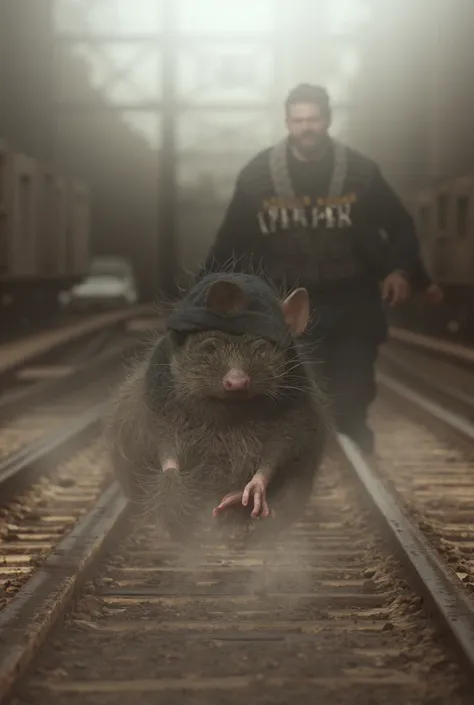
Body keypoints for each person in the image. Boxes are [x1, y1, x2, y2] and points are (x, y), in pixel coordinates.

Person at [201, 83, 434, 454]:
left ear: (327, 120)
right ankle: (298, 459)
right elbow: (231, 240)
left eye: (313, 119)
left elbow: (400, 224)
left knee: (354, 386)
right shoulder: (258, 176)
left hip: (352, 296)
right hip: (283, 301)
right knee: (288, 386)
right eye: (298, 120)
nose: (306, 127)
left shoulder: (360, 172)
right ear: (287, 122)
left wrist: (400, 271)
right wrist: (207, 295)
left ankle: (356, 458)